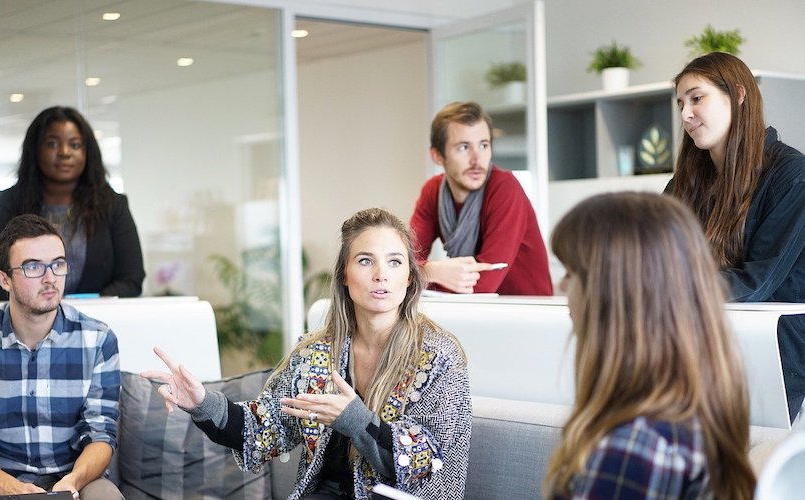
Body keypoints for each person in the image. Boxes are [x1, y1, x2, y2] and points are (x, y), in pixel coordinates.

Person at [142, 208, 471, 500]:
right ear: (345, 274)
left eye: (395, 262)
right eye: (365, 260)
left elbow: (424, 462)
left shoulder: (439, 356)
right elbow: (266, 427)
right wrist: (202, 404)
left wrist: (356, 420)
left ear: (409, 276)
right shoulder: (315, 354)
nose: (381, 274)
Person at [543, 192, 755, 500]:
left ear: (612, 294)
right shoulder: (685, 416)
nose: (562, 287)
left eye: (571, 273)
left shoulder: (633, 448)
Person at [666, 52, 805, 421]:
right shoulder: (683, 184)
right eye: (681, 103)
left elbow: (757, 281)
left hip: (776, 352)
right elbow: (655, 258)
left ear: (738, 95)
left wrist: (666, 289)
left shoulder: (792, 175)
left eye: (697, 98)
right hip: (702, 341)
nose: (685, 114)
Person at [0, 214, 122, 500]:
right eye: (33, 267)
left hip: (77, 480)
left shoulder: (98, 339)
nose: (50, 278)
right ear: (4, 279)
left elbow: (101, 434)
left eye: (58, 264)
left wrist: (73, 481)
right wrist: (7, 486)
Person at [0, 105, 145, 301]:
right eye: (52, 144)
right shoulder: (9, 203)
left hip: (96, 322)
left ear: (87, 152)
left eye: (75, 145)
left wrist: (81, 309)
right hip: (27, 325)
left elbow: (131, 279)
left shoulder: (113, 206)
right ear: (35, 150)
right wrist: (41, 307)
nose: (65, 152)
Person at [410, 101, 552, 295]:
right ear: (437, 156)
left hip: (525, 313)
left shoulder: (505, 188)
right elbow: (402, 262)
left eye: (484, 145)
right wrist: (432, 271)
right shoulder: (432, 191)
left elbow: (483, 284)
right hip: (474, 311)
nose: (477, 160)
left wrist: (422, 274)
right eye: (463, 147)